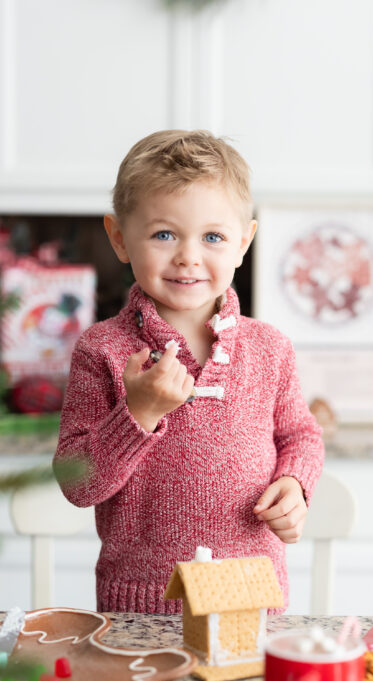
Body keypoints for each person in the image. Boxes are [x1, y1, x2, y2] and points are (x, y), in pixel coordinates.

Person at [54, 129, 324, 613]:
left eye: (213, 237)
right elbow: (78, 485)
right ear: (119, 238)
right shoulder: (102, 350)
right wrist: (139, 413)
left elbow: (301, 436)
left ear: (243, 242)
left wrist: (295, 483)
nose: (188, 257)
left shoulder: (270, 348)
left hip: (251, 598)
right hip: (138, 608)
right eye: (164, 234)